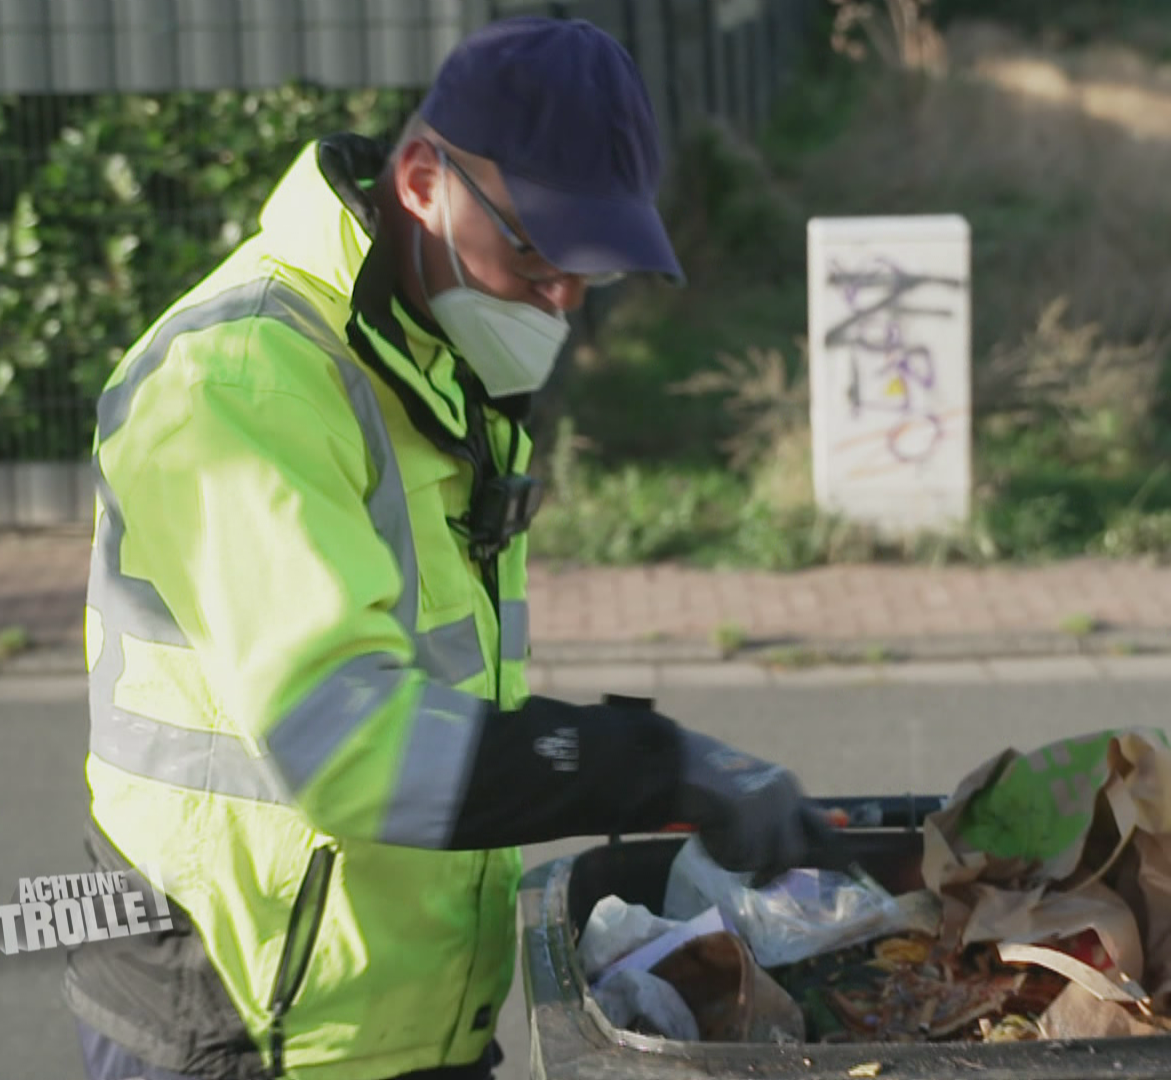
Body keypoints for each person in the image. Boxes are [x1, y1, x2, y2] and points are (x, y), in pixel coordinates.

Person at [63, 15, 841, 1080]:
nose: (562, 296)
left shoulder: (432, 355)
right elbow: (346, 741)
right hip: (248, 1027)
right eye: (536, 250)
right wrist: (649, 765)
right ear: (424, 179)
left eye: (589, 268)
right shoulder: (241, 382)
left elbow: (447, 709)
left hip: (402, 1011)